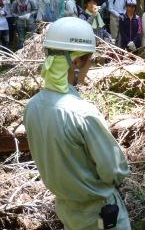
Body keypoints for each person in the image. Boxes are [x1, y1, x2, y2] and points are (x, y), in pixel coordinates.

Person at [24, 17, 131, 229]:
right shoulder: (83, 113)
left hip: (66, 209)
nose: (89, 67)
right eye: (89, 60)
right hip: (100, 215)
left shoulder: (32, 107)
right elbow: (114, 171)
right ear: (76, 61)